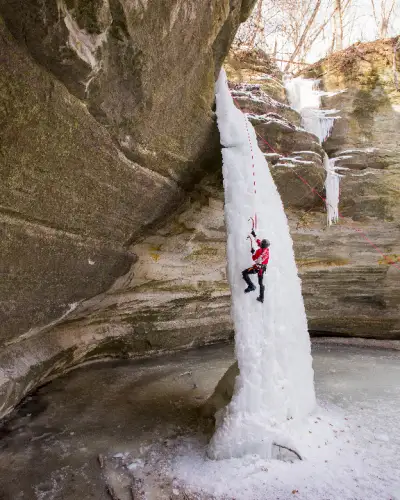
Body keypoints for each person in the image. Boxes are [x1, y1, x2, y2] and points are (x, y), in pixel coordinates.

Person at [242, 230, 270, 303]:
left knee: (244, 273)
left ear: (262, 245)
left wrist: (253, 252)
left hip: (258, 268)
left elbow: (255, 259)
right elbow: (259, 243)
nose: (260, 244)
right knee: (261, 283)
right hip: (263, 268)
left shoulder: (259, 252)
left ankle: (251, 286)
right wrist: (254, 236)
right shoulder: (267, 250)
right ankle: (261, 297)